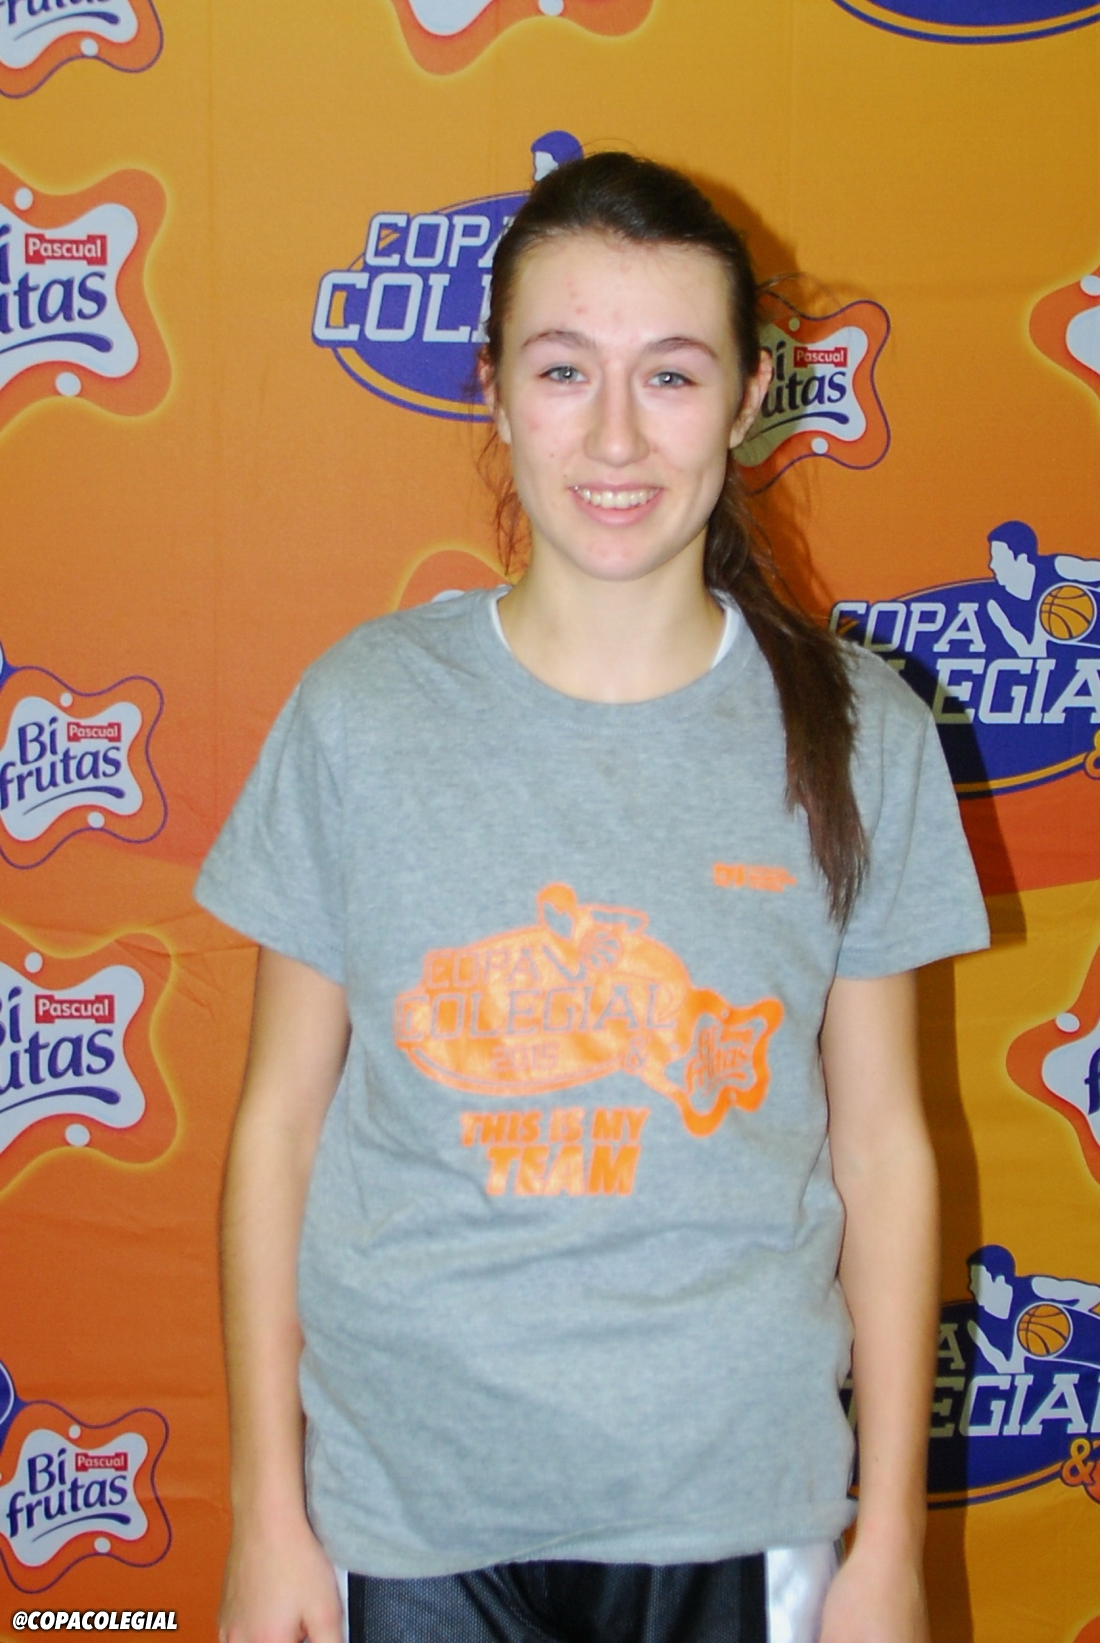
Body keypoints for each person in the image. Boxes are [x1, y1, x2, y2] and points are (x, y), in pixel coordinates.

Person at [196, 152, 990, 1643]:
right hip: (410, 1514)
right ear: (494, 390)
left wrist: (889, 1542)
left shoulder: (859, 731)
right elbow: (279, 1131)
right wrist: (267, 1519)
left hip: (735, 1506)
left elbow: (885, 1152)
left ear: (750, 397)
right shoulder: (362, 711)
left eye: (672, 375)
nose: (616, 436)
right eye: (564, 370)